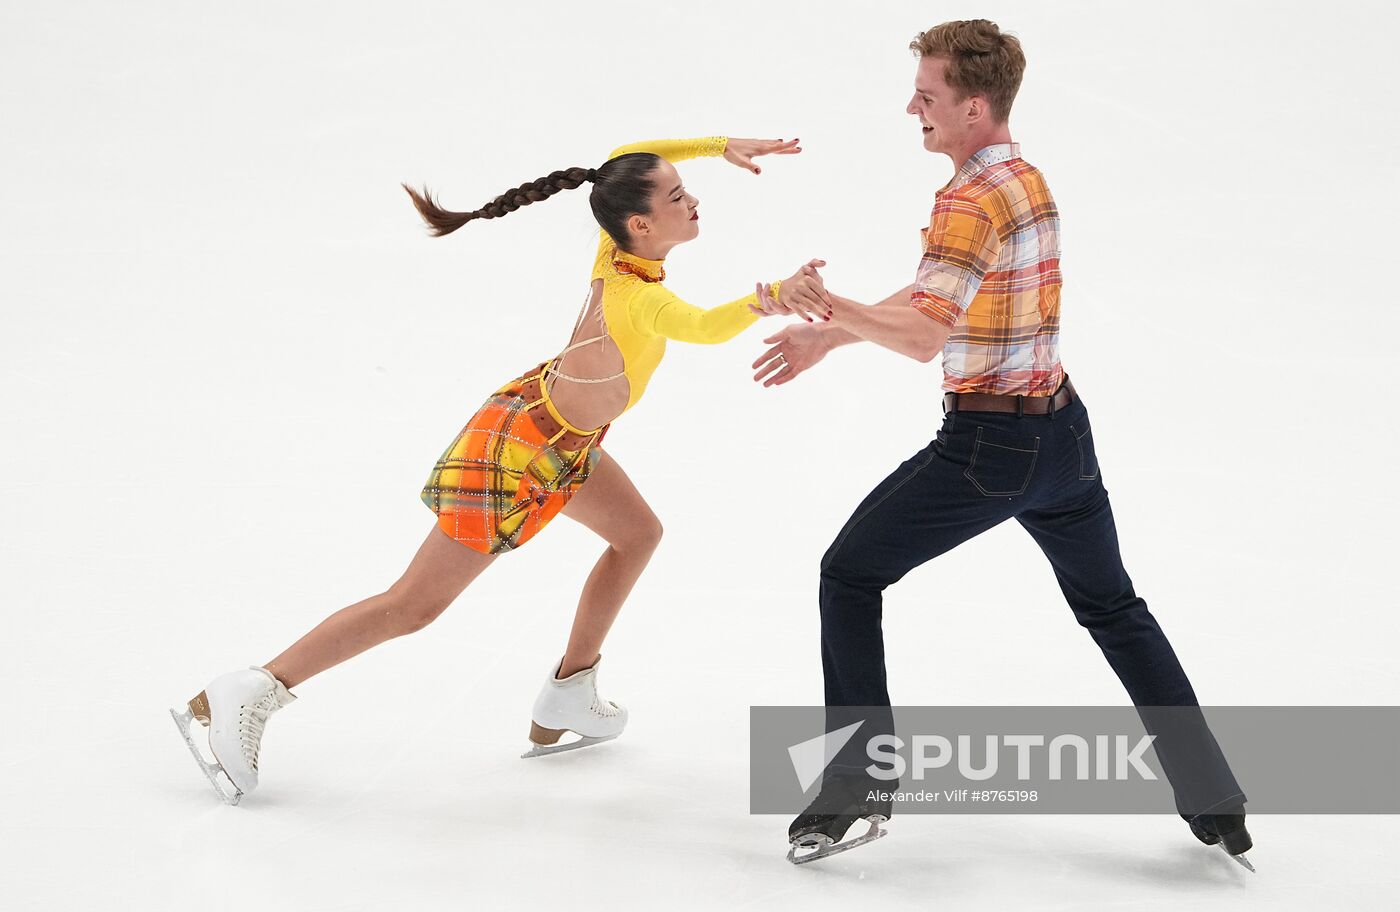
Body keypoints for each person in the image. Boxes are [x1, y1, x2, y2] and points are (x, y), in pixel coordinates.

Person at [169, 135, 833, 805]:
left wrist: (718, 147)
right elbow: (706, 327)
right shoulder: (640, 298)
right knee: (414, 605)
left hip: (561, 440)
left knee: (637, 534)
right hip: (514, 457)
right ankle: (251, 691)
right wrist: (775, 295)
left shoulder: (620, 252)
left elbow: (628, 155)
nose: (693, 202)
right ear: (640, 223)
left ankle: (571, 690)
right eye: (677, 197)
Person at [753, 21, 1253, 870]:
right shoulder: (1020, 178)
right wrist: (830, 338)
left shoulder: (964, 196)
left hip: (989, 450)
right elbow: (944, 287)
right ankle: (1218, 802)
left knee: (848, 574)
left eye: (929, 94)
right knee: (1115, 610)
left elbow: (919, 337)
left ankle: (855, 789)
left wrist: (826, 305)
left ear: (974, 105)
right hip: (1064, 436)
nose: (914, 106)